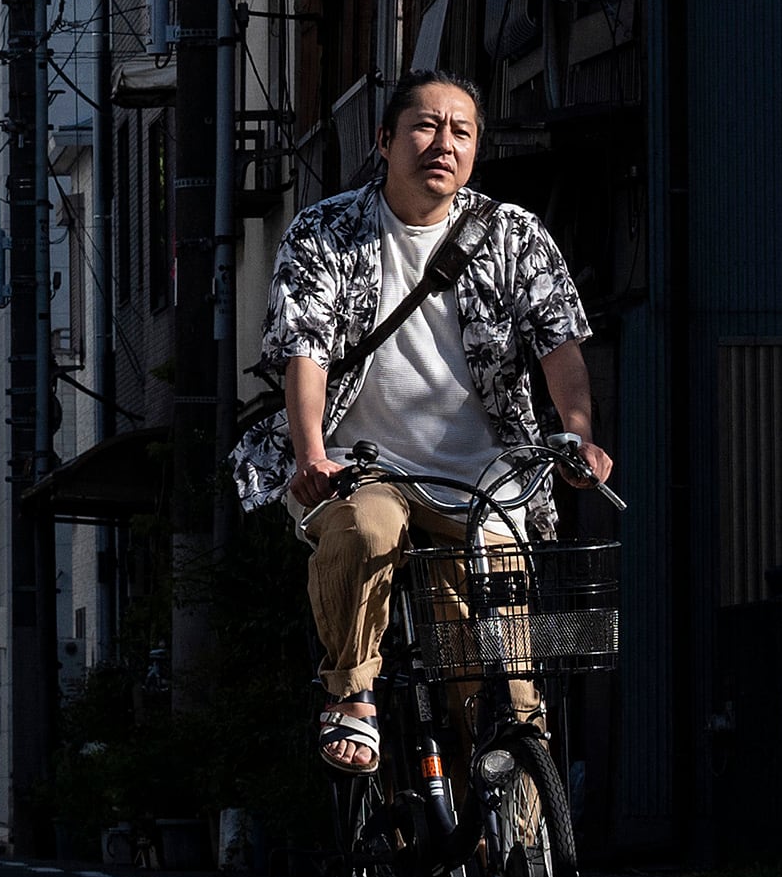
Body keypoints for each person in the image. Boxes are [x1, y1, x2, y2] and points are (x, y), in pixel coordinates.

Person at [228, 69, 613, 778]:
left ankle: (522, 861)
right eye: (425, 126)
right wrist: (312, 453)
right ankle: (351, 696)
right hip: (362, 464)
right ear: (384, 141)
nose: (444, 142)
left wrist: (579, 434)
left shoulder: (512, 233)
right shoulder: (327, 231)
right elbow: (304, 350)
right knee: (366, 529)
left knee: (504, 682)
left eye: (461, 130)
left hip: (485, 474)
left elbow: (560, 342)